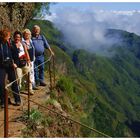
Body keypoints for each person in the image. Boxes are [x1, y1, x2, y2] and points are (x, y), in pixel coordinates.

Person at [0, 29, 21, 108]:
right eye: (7, 36)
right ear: (3, 37)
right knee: (1, 83)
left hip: (10, 65)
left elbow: (16, 55)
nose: (9, 37)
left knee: (14, 82)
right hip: (1, 66)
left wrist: (16, 63)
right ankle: (2, 101)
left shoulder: (11, 44)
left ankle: (17, 100)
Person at [12, 31, 34, 95]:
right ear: (14, 37)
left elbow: (26, 51)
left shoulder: (22, 43)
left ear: (20, 38)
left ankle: (30, 89)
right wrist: (13, 62)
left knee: (28, 77)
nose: (17, 38)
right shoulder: (12, 45)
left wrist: (28, 60)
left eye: (18, 37)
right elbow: (11, 55)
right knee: (18, 79)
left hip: (24, 63)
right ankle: (18, 92)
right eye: (16, 37)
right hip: (17, 65)